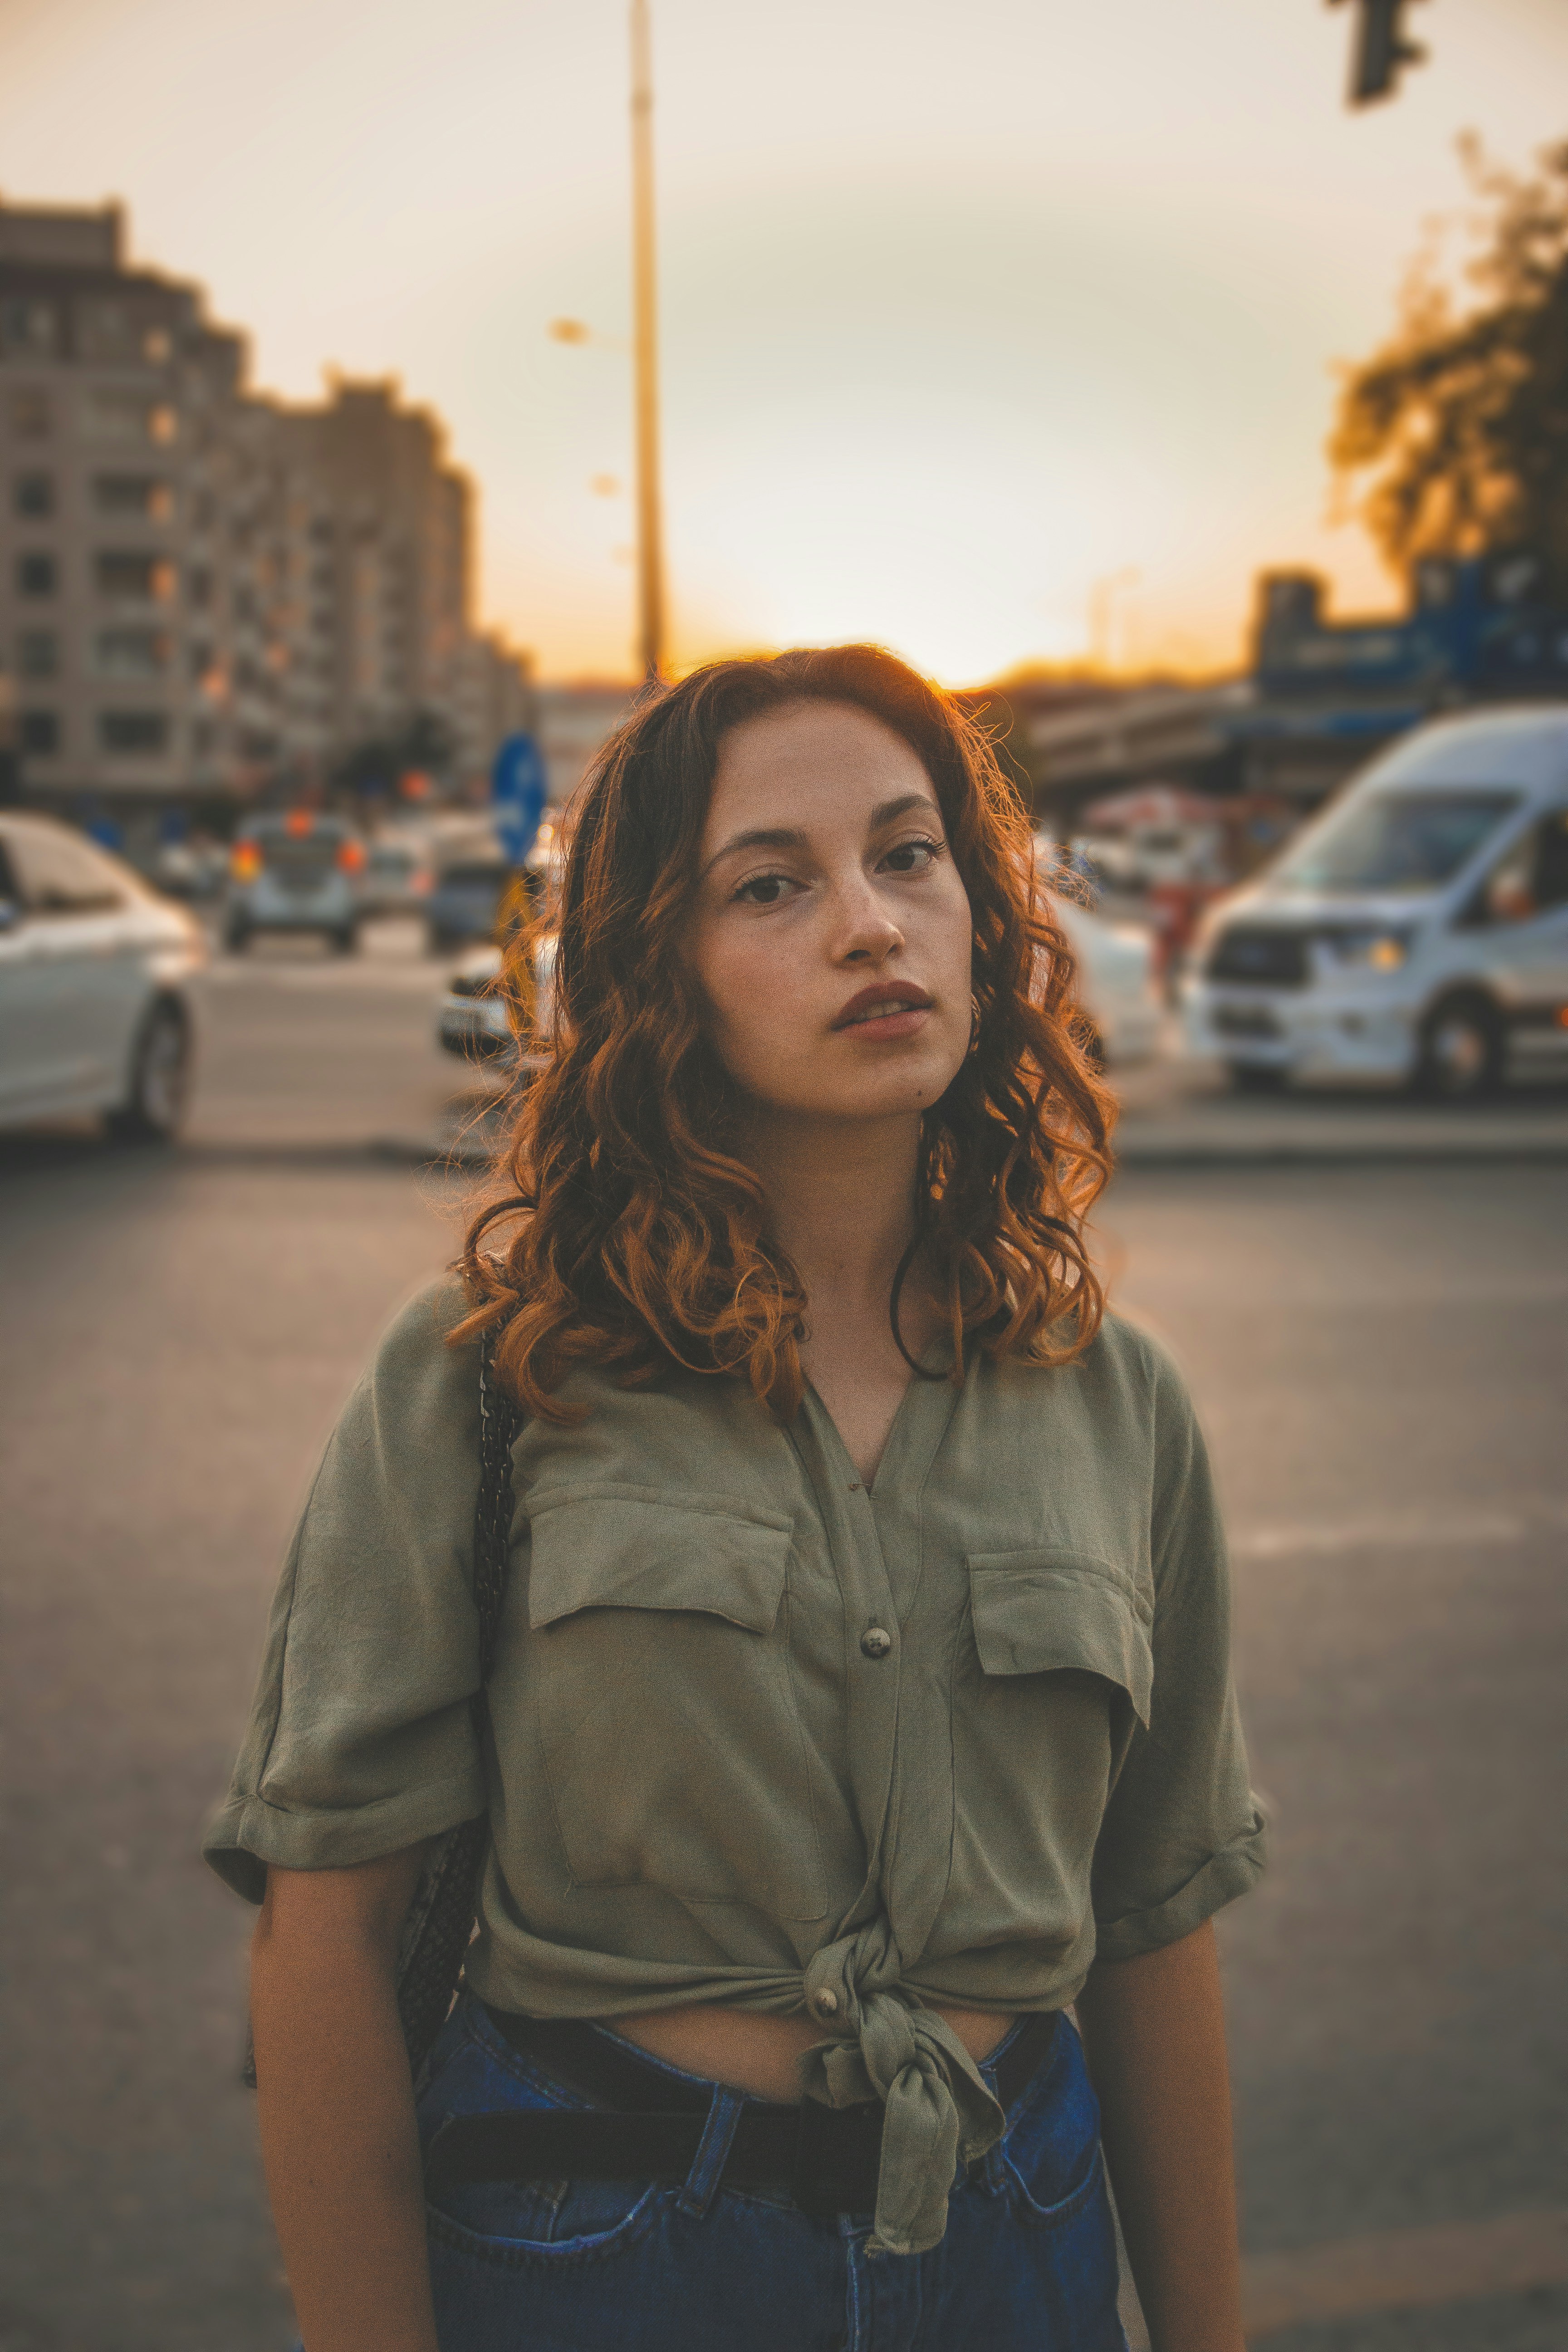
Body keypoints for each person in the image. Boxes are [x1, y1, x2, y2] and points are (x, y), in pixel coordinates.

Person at [206, 645, 1266, 2352]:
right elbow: (327, 1935)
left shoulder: (1116, 1400)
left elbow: (1151, 1933)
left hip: (1019, 2248)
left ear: (985, 916)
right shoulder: (491, 1375)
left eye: (910, 855)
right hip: (608, 2259)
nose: (871, 923)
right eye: (773, 884)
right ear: (660, 971)